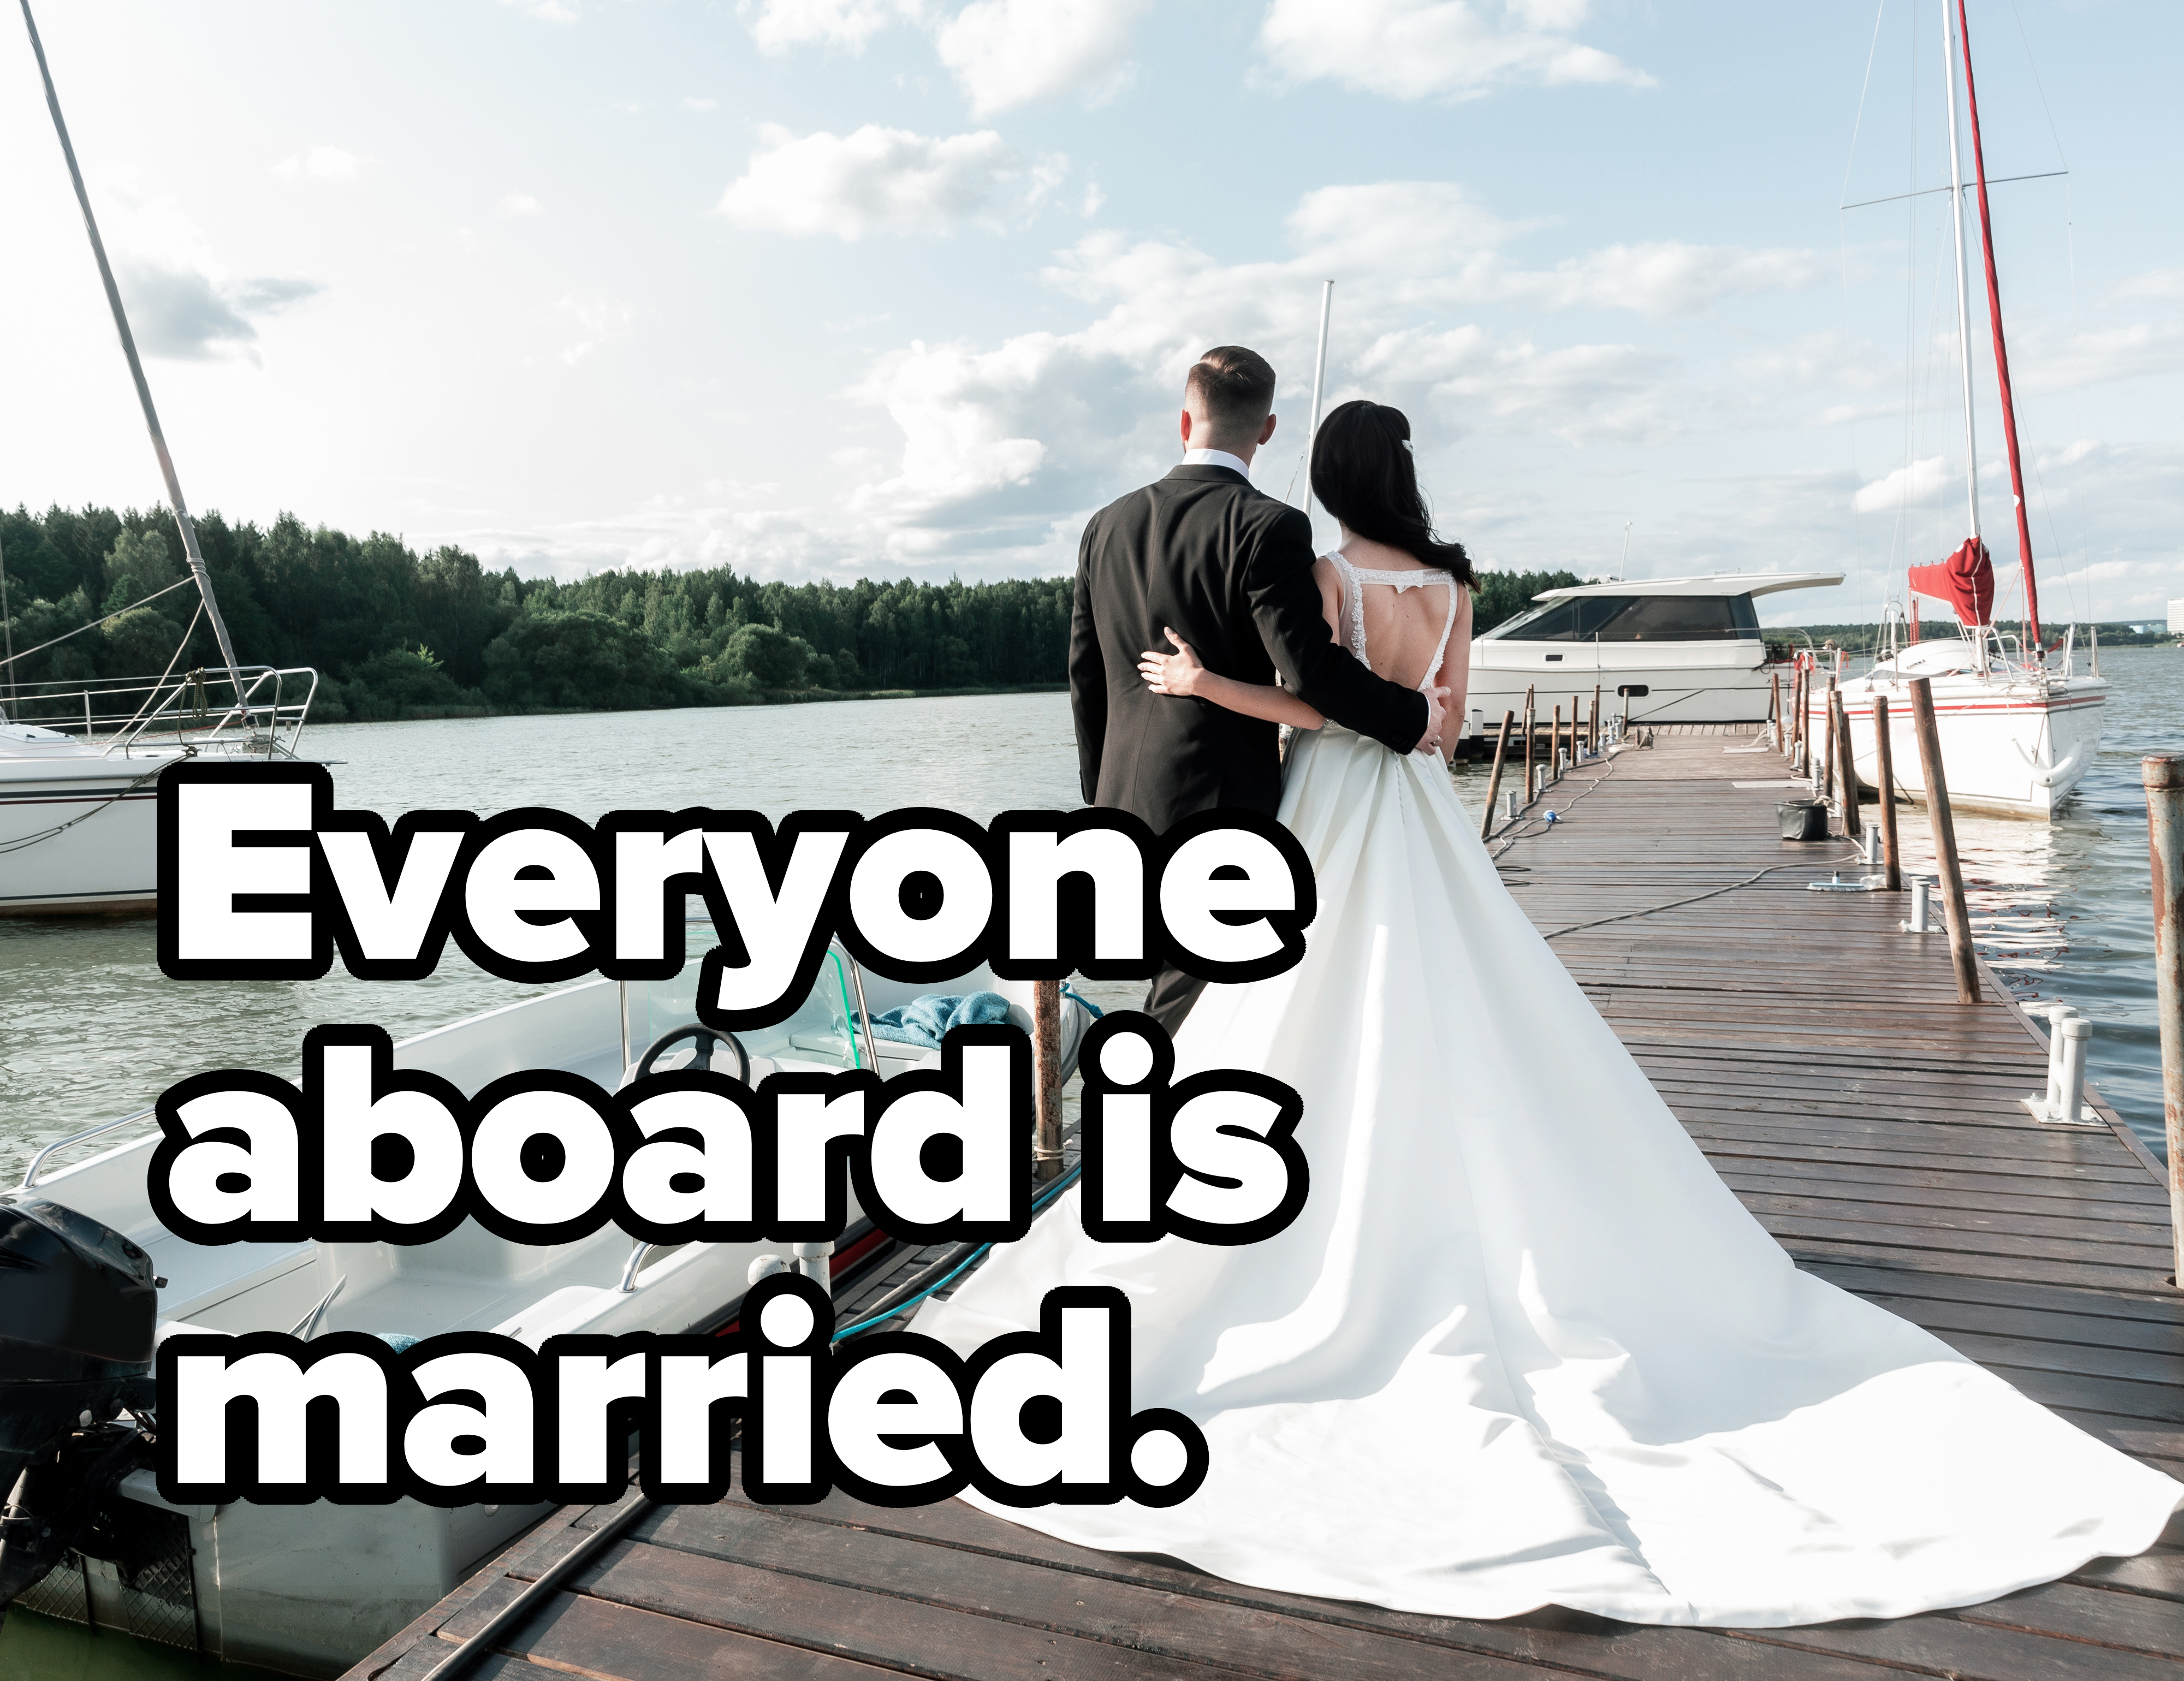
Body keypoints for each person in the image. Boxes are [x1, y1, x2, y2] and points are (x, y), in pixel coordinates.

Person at [917, 399, 2180, 1627]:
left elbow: (1313, 701)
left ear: (1333, 479)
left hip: (1327, 803)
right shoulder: (1453, 585)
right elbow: (1443, 727)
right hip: (1418, 810)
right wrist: (1400, 716)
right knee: (1460, 994)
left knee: (1291, 1015)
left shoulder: (1326, 572)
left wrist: (1203, 681)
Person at [1067, 347, 1446, 1036]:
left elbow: (1086, 677)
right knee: (1194, 998)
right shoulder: (1268, 526)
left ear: (1184, 421)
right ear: (1266, 430)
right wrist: (1409, 713)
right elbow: (1311, 672)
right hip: (1219, 800)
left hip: (1121, 799)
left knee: (1179, 984)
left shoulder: (1105, 524)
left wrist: (1102, 793)